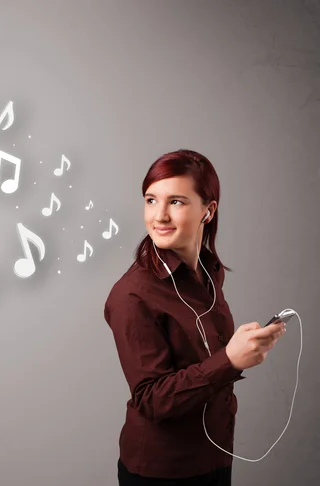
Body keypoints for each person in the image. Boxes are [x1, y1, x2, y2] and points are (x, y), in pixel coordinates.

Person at [104, 149, 286, 485]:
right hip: (165, 472)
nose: (159, 215)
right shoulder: (132, 295)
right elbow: (151, 399)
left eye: (176, 201)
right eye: (150, 200)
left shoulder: (209, 272)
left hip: (215, 456)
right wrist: (230, 359)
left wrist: (245, 347)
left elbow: (201, 352)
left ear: (208, 210)